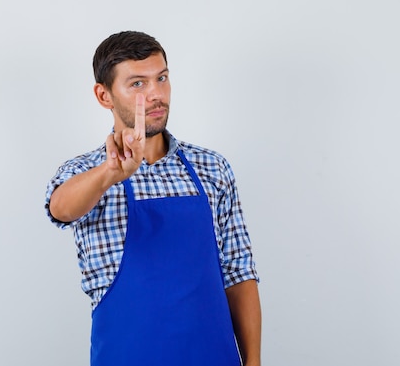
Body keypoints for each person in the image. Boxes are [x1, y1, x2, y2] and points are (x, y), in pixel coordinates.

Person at [45, 31, 261, 366]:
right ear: (104, 95)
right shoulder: (88, 173)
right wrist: (110, 174)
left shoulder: (211, 168)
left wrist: (254, 361)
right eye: (137, 84)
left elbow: (238, 274)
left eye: (161, 78)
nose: (156, 94)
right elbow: (60, 209)